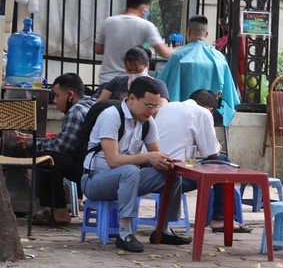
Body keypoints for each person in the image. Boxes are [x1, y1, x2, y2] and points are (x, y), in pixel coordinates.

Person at [81, 76, 191, 253]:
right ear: (132, 99)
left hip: (127, 179)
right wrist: (147, 157)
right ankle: (125, 233)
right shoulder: (112, 116)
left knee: (171, 174)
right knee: (130, 171)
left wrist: (165, 161)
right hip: (95, 180)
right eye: (148, 105)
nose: (152, 111)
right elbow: (113, 160)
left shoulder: (148, 123)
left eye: (156, 106)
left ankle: (163, 229)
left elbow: (156, 156)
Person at [154, 89, 252, 233]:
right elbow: (212, 153)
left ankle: (221, 218)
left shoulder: (168, 107)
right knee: (223, 162)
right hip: (174, 176)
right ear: (210, 109)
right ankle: (220, 219)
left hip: (151, 169)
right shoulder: (202, 113)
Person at [16, 73, 96, 225]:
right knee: (49, 153)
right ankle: (50, 208)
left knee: (46, 157)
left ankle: (58, 212)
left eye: (57, 96)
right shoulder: (90, 103)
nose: (55, 101)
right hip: (93, 164)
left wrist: (33, 143)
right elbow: (64, 141)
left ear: (70, 95)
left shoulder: (76, 111)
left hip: (87, 168)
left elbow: (62, 146)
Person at [156, 15, 240, 127]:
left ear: (188, 32)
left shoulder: (178, 56)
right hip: (212, 115)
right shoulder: (219, 58)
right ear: (206, 34)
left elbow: (160, 85)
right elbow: (229, 95)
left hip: (182, 116)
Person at [94, 0, 174, 92]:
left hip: (106, 81)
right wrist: (182, 49)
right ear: (143, 8)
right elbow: (164, 52)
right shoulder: (145, 25)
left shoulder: (108, 21)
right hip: (130, 82)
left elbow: (98, 49)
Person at [97, 46, 169, 107]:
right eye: (129, 70)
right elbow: (99, 105)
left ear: (147, 65)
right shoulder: (117, 82)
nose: (133, 74)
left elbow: (162, 110)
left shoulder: (159, 86)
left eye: (137, 70)